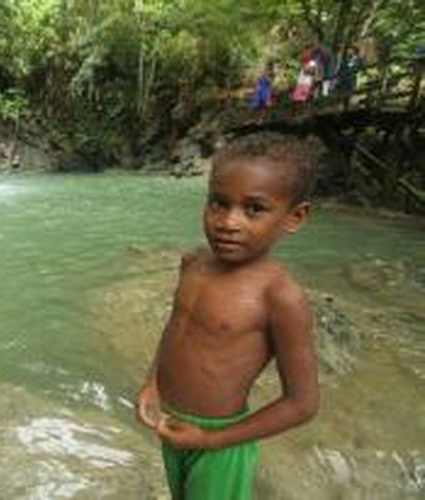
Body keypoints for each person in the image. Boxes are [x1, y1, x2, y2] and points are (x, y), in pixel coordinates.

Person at [136, 132, 320, 500]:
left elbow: (302, 405)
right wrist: (152, 382)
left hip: (220, 443)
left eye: (254, 209)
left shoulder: (280, 297)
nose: (228, 222)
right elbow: (177, 329)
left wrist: (211, 439)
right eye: (218, 203)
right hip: (174, 427)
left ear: (294, 217)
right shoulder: (193, 263)